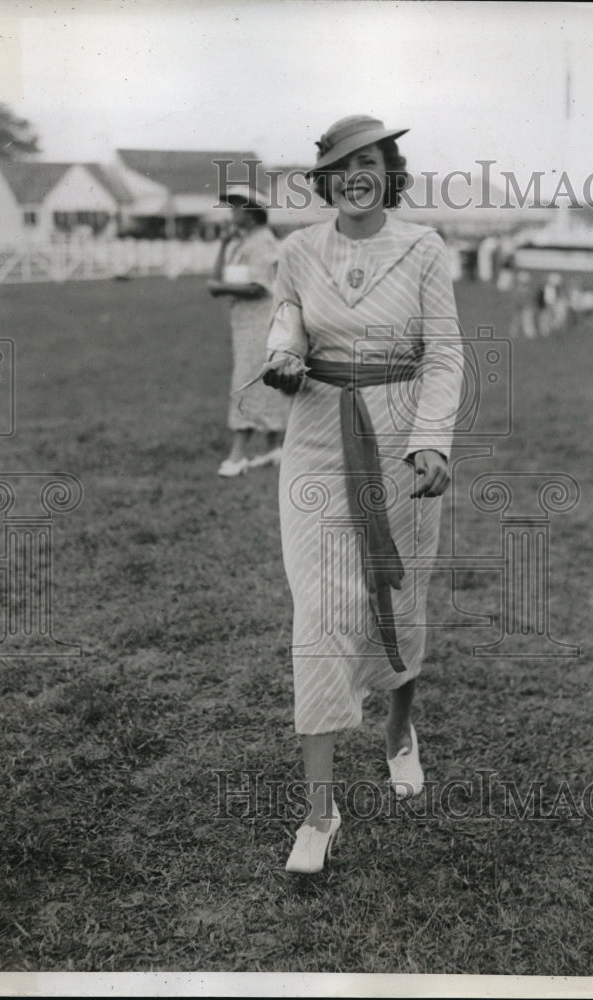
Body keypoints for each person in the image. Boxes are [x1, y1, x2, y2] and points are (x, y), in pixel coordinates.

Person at [262, 115, 465, 873]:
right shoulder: (297, 249)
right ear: (324, 178)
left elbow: (444, 353)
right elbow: (287, 323)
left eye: (369, 163)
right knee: (317, 613)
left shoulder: (421, 247)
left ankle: (399, 731)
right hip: (318, 435)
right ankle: (320, 812)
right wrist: (281, 356)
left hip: (401, 433)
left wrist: (433, 438)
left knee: (397, 599)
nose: (355, 175)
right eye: (341, 165)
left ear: (390, 172)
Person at [207, 185, 290, 477]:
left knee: (246, 380)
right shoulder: (244, 243)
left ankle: (238, 454)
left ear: (253, 213)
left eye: (237, 207)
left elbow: (259, 285)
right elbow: (215, 280)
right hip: (245, 324)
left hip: (261, 322)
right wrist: (223, 245)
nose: (232, 212)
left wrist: (221, 288)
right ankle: (272, 446)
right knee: (259, 379)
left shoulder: (263, 243)